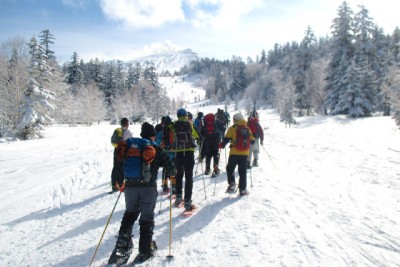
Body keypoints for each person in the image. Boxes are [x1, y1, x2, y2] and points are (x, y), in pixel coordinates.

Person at [111, 122, 175, 263]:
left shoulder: (129, 146)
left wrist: (120, 182)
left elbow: (119, 165)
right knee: (147, 218)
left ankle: (122, 247)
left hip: (130, 187)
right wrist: (171, 175)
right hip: (148, 188)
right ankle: (145, 251)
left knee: (130, 214)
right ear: (153, 135)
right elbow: (170, 166)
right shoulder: (156, 148)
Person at [219, 112, 255, 196]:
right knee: (242, 172)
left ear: (236, 119)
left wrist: (221, 145)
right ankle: (242, 190)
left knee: (230, 168)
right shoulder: (247, 128)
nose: (233, 120)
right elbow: (252, 141)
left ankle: (232, 184)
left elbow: (226, 140)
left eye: (234, 119)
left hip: (234, 153)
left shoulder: (232, 128)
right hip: (245, 154)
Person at [172, 108, 200, 211]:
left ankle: (178, 197)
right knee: (189, 176)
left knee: (179, 174)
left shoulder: (174, 124)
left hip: (178, 153)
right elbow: (198, 136)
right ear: (186, 115)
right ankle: (187, 201)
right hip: (189, 152)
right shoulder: (190, 124)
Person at [110, 117, 133, 192]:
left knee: (115, 166)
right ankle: (120, 184)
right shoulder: (127, 132)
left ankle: (114, 184)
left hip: (116, 150)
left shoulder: (117, 131)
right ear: (127, 124)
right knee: (122, 166)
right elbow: (131, 142)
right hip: (123, 151)